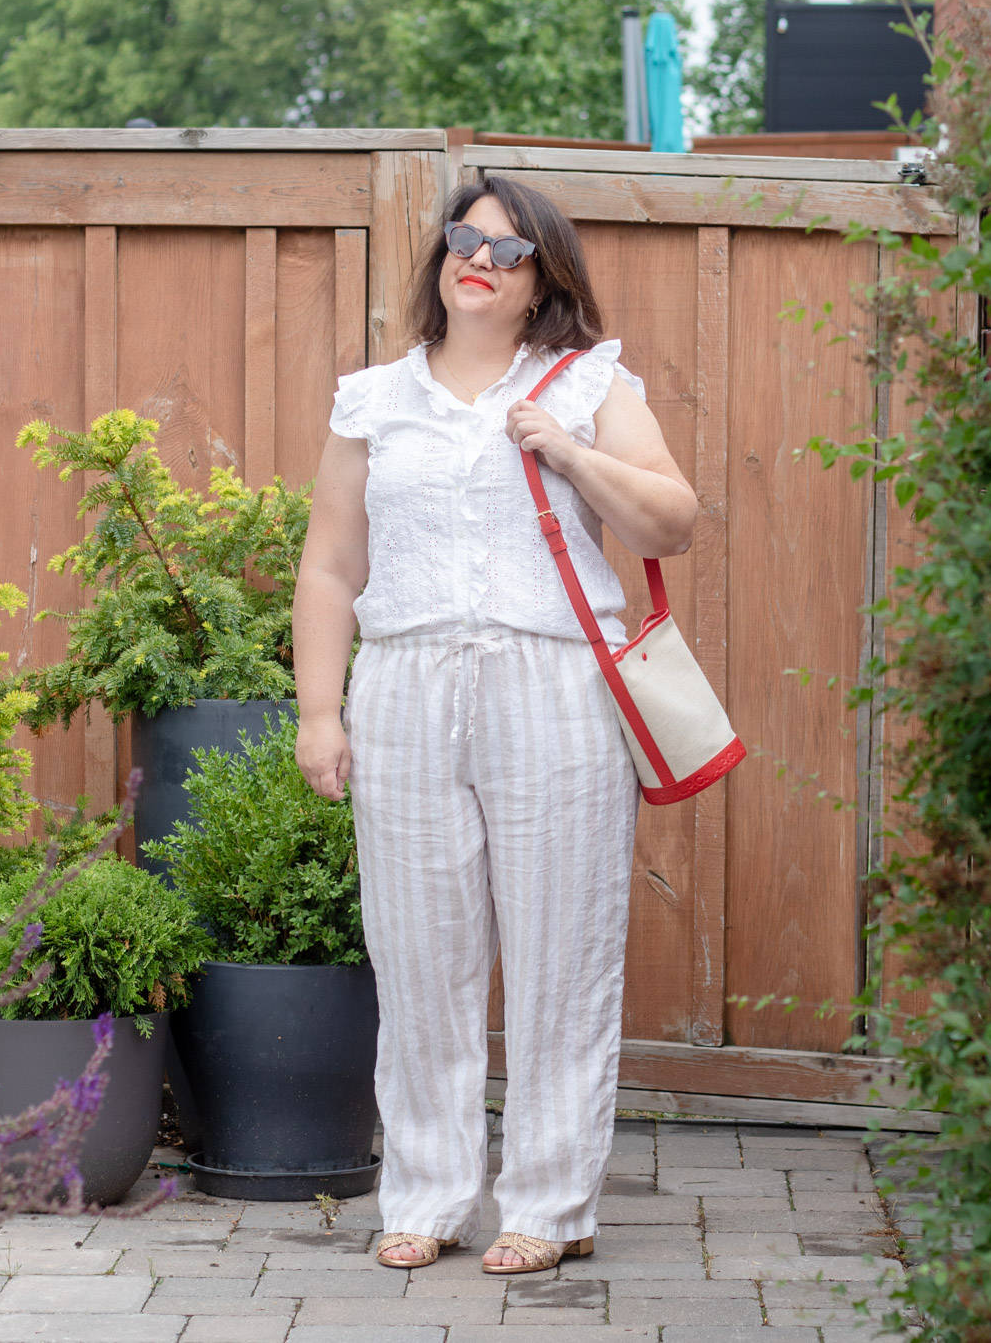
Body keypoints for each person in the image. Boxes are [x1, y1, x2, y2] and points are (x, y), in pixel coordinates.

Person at [293, 175, 696, 1275]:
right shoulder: (373, 400)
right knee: (418, 954)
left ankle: (550, 1205)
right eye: (462, 241)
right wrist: (319, 712)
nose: (477, 259)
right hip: (408, 685)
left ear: (541, 281)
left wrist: (565, 449)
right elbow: (331, 565)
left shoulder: (587, 385)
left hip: (550, 686)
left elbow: (676, 517)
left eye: (506, 251)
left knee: (561, 954)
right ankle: (424, 1195)